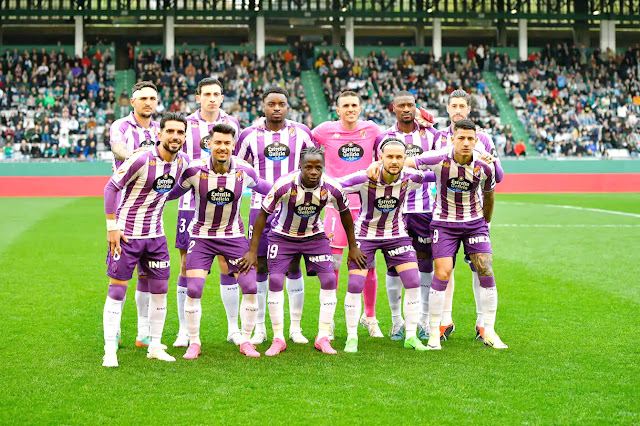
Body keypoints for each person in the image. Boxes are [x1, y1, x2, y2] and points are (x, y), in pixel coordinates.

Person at [383, 119, 508, 350]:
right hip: (444, 224)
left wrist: (485, 222)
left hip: (474, 224)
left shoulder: (484, 166)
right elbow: (407, 161)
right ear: (453, 139)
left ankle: (489, 330)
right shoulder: (439, 158)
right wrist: (379, 166)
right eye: (461, 138)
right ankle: (433, 333)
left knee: (485, 270)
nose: (466, 143)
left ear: (476, 141)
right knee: (442, 273)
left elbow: (490, 195)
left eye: (471, 138)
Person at [239, 147, 366, 356]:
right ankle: (278, 338)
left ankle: (323, 336)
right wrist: (253, 250)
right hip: (282, 236)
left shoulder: (332, 187)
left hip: (314, 237)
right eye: (308, 167)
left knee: (328, 280)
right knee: (277, 281)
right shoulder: (284, 185)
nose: (314, 172)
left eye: (318, 167)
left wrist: (353, 247)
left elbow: (345, 215)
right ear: (300, 167)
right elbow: (262, 215)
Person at [167, 123, 270, 359]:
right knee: (194, 288)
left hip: (233, 237)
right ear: (209, 145)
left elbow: (267, 189)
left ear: (233, 146)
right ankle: (194, 342)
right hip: (201, 237)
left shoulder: (244, 171)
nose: (222, 148)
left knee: (250, 286)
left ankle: (245, 340)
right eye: (217, 143)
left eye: (227, 143)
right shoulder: (194, 171)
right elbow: (171, 194)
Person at [101, 112, 190, 367]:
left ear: (184, 136)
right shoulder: (140, 158)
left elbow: (174, 189)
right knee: (117, 290)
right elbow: (111, 187)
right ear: (159, 134)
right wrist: (112, 227)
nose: (175, 136)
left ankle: (154, 345)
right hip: (127, 235)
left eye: (180, 132)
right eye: (170, 131)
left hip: (157, 237)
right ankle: (110, 350)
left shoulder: (182, 162)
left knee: (160, 291)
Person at [338, 138, 436, 353]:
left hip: (397, 235)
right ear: (380, 158)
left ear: (405, 159)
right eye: (389, 156)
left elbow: (438, 173)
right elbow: (335, 186)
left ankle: (410, 336)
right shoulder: (364, 179)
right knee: (355, 284)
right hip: (365, 235)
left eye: (399, 157)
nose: (394, 161)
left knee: (413, 281)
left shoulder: (411, 177)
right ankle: (352, 337)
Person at [235, 86, 315, 345]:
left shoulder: (301, 132)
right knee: (260, 266)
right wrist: (257, 188)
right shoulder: (249, 135)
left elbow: (314, 164)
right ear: (263, 106)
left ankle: (295, 327)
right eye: (272, 103)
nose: (277, 107)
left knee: (293, 265)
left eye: (282, 103)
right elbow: (239, 169)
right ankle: (259, 328)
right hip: (260, 209)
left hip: (293, 209)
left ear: (288, 106)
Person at [173, 77, 243, 349]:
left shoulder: (232, 123)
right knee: (185, 266)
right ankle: (183, 331)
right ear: (198, 97)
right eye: (207, 94)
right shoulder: (187, 125)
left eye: (216, 93)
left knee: (229, 264)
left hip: (224, 205)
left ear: (222, 97)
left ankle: (233, 328)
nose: (212, 98)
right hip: (190, 206)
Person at [432, 89, 504, 342]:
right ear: (448, 108)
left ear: (469, 109)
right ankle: (444, 320)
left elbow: (499, 176)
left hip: (475, 215)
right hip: (444, 213)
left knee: (479, 265)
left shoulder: (482, 137)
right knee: (444, 267)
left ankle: (483, 323)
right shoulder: (438, 136)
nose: (458, 109)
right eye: (454, 105)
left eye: (462, 105)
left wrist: (490, 161)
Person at [311, 91, 384, 338]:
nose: (350, 109)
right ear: (338, 109)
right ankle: (328, 322)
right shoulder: (324, 131)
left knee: (368, 264)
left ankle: (370, 316)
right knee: (332, 265)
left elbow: (390, 143)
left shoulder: (372, 130)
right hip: (334, 206)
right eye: (346, 105)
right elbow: (302, 139)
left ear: (360, 108)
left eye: (354, 105)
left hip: (365, 207)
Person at [374, 91, 437, 341]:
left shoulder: (430, 135)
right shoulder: (384, 137)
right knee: (394, 266)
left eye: (410, 105)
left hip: (423, 209)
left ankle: (422, 319)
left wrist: (418, 175)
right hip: (393, 210)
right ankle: (396, 321)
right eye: (402, 105)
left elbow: (439, 167)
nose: (407, 109)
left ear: (416, 107)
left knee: (425, 263)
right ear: (393, 108)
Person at [108, 80, 161, 348]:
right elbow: (118, 148)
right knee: (120, 274)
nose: (148, 102)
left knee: (146, 274)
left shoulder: (159, 130)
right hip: (124, 210)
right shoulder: (121, 126)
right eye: (143, 98)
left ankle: (143, 332)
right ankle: (114, 330)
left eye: (152, 98)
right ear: (133, 102)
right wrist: (136, 157)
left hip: (151, 211)